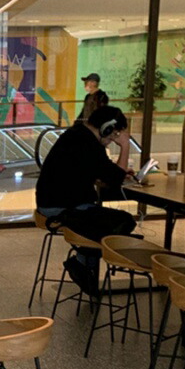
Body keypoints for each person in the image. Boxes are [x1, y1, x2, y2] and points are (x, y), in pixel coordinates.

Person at [36, 105, 137, 295]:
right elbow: (114, 179)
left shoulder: (76, 135)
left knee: (107, 222)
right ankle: (81, 263)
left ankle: (83, 264)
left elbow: (99, 171)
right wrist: (125, 146)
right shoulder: (89, 144)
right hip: (64, 208)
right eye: (113, 135)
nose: (112, 140)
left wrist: (115, 172)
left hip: (51, 204)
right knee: (124, 222)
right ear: (106, 128)